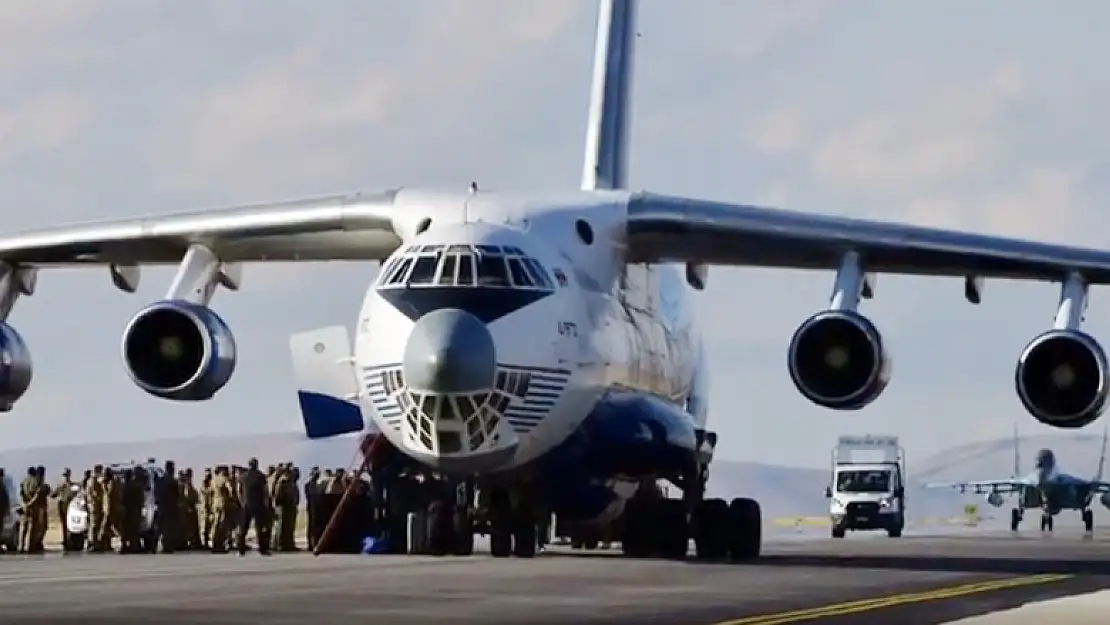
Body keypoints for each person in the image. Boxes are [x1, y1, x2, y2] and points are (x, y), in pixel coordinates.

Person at [237, 458, 270, 555]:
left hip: (246, 504)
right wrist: (266, 503)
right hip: (258, 504)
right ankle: (262, 549)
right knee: (259, 528)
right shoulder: (261, 476)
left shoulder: (243, 476)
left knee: (243, 528)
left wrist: (242, 501)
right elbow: (265, 491)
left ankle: (241, 549)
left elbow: (239, 491)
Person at [155, 460, 179, 553]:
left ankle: (157, 546)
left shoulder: (161, 480)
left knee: (161, 527)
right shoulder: (172, 481)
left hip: (163, 506)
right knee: (168, 528)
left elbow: (156, 493)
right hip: (169, 507)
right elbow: (176, 495)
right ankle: (166, 546)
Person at [51, 468, 76, 549]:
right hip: (61, 504)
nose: (65, 477)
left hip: (69, 505)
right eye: (64, 475)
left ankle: (69, 540)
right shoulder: (61, 485)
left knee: (69, 523)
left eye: (66, 475)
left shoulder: (72, 486)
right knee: (64, 523)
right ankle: (65, 539)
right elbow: (53, 495)